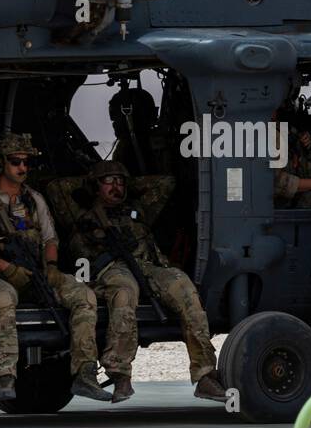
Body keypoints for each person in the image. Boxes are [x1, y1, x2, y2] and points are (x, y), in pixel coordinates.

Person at [0, 133, 111, 403]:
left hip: (36, 272)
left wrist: (53, 267)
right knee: (2, 299)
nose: (23, 168)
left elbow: (49, 239)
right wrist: (8, 269)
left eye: (26, 162)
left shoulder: (34, 199)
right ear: (0, 163)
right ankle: (5, 376)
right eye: (15, 162)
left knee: (83, 296)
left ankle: (84, 372)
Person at [69, 160, 225, 402]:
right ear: (95, 186)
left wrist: (128, 179)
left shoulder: (137, 210)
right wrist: (88, 181)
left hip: (149, 266)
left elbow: (165, 182)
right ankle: (120, 373)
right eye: (108, 181)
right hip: (112, 269)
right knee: (125, 292)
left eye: (120, 182)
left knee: (184, 288)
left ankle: (205, 374)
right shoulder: (85, 218)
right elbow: (59, 190)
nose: (116, 187)